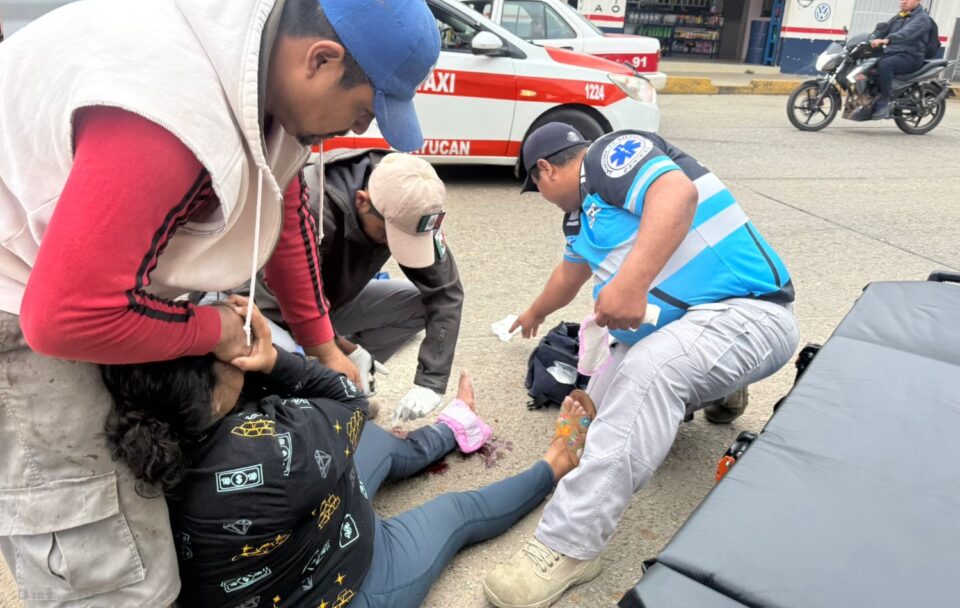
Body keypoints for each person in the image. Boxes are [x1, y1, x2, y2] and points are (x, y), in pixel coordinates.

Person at [0, 0, 439, 607]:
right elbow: (61, 318)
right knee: (108, 557)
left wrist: (321, 345)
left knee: (143, 490)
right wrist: (217, 328)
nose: (363, 130)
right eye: (364, 107)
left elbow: (278, 200)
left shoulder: (267, 79)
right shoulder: (168, 114)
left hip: (75, 263)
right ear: (320, 60)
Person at [481, 123, 800, 608]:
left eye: (536, 186)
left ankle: (570, 544)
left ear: (544, 170)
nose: (542, 196)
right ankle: (719, 388)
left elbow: (676, 192)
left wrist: (631, 282)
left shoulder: (609, 156)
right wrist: (534, 313)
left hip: (751, 311)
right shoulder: (580, 220)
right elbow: (568, 275)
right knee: (598, 406)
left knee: (650, 371)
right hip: (686, 329)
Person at [99, 298, 596, 608]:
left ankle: (454, 426)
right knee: (456, 509)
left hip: (291, 528)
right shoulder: (276, 450)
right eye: (228, 349)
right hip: (348, 585)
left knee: (379, 448)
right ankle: (555, 464)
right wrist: (274, 359)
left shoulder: (144, 419)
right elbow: (350, 400)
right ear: (211, 394)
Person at [263, 149, 463, 424]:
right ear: (362, 201)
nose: (391, 247)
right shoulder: (313, 209)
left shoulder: (413, 202)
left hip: (330, 301)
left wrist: (431, 382)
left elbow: (446, 293)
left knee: (417, 304)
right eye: (387, 235)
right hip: (264, 310)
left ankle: (345, 386)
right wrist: (344, 350)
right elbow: (285, 303)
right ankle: (322, 386)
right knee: (277, 386)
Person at [869, 0, 933, 120]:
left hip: (911, 57)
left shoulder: (922, 19)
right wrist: (872, 37)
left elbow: (906, 34)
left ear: (918, 0)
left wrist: (887, 40)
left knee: (886, 65)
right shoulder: (900, 16)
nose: (904, 1)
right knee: (869, 64)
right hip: (895, 52)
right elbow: (884, 28)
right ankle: (873, 95)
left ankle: (886, 100)